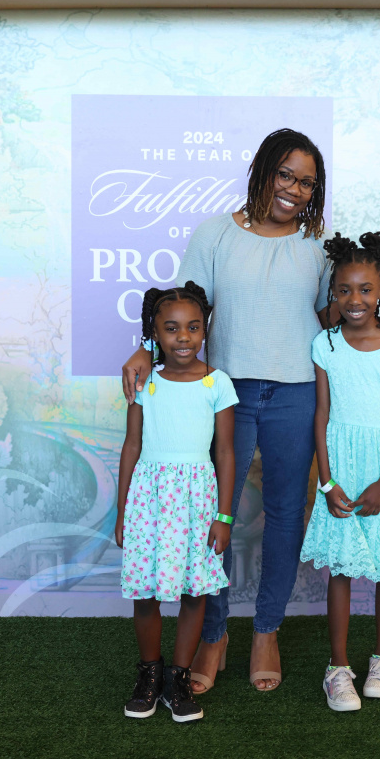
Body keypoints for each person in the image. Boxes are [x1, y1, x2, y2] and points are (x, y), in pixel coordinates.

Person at [122, 128, 380, 693]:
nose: (294, 189)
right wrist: (144, 346)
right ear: (262, 171)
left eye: (307, 182)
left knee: (286, 513)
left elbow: (343, 311)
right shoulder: (214, 234)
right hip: (227, 393)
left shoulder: (318, 246)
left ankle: (266, 630)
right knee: (216, 512)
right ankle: (214, 634)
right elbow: (181, 306)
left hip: (296, 392)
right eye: (286, 174)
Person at [299, 232, 380, 712]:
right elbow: (321, 416)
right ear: (332, 292)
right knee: (342, 569)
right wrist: (327, 482)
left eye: (366, 289)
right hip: (342, 469)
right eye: (345, 290)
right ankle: (338, 668)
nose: (355, 299)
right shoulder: (325, 345)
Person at [115, 282, 237, 723]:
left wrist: (224, 516)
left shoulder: (217, 383)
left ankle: (178, 680)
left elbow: (225, 452)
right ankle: (149, 675)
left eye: (193, 327)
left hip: (197, 502)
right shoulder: (144, 381)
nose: (183, 337)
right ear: (154, 333)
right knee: (145, 593)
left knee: (194, 591)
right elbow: (132, 445)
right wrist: (122, 510)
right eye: (171, 328)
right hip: (149, 499)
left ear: (205, 330)